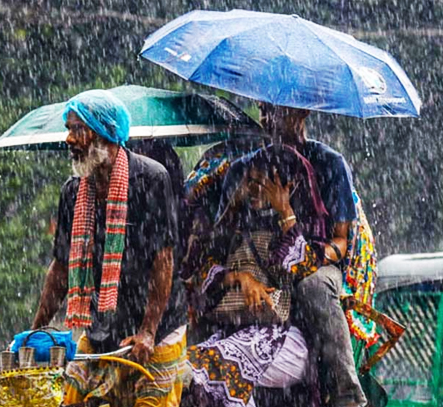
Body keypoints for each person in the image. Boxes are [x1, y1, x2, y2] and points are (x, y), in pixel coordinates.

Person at [31, 89, 187, 407]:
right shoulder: (73, 192)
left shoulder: (151, 179)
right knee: (70, 399)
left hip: (158, 326)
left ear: (104, 135)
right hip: (103, 327)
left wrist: (147, 331)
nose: (68, 140)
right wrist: (36, 332)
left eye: (77, 129)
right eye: (68, 129)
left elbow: (164, 259)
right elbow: (61, 268)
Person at [182, 145, 329, 407]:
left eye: (262, 183)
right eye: (249, 181)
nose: (253, 190)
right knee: (188, 369)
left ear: (288, 185)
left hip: (284, 337)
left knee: (219, 364)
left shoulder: (301, 226)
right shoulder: (238, 222)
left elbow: (304, 273)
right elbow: (203, 270)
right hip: (234, 330)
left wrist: (285, 213)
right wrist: (240, 278)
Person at [257, 102, 367, 407]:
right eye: (263, 110)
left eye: (277, 111)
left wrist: (303, 255)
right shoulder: (257, 161)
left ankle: (347, 391)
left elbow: (341, 241)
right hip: (268, 257)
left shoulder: (330, 163)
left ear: (302, 113)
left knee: (313, 285)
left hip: (320, 261)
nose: (268, 119)